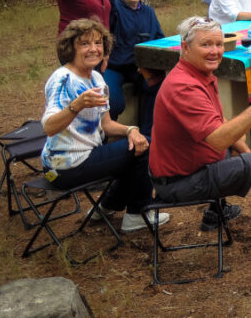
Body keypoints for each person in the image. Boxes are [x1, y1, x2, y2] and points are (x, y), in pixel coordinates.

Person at [149, 16, 251, 259]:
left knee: (243, 145)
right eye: (206, 45)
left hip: (187, 169)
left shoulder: (196, 74)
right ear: (185, 47)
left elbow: (217, 125)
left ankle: (216, 210)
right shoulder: (184, 86)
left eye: (219, 44)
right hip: (180, 181)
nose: (215, 51)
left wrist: (245, 151)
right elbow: (219, 139)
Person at [40, 19, 169, 233]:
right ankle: (137, 213)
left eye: (98, 43)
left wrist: (130, 130)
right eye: (85, 44)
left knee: (137, 143)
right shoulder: (63, 79)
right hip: (64, 166)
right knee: (145, 147)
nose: (93, 49)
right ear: (70, 47)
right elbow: (49, 128)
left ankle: (107, 206)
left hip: (85, 156)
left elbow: (106, 124)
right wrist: (76, 105)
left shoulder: (97, 78)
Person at [104, 0, 165, 135]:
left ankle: (147, 134)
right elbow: (105, 18)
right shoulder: (115, 7)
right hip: (115, 66)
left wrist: (149, 62)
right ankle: (105, 136)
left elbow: (159, 38)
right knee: (113, 101)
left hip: (140, 67)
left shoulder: (148, 12)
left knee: (158, 86)